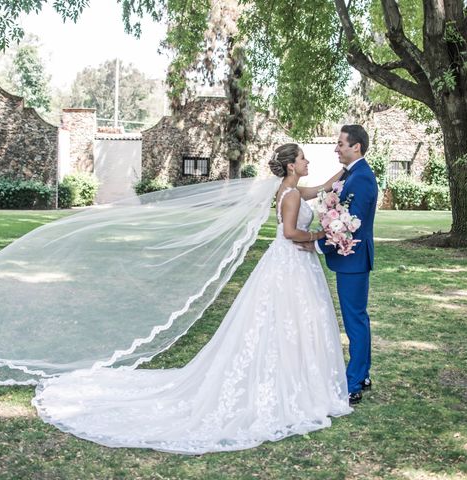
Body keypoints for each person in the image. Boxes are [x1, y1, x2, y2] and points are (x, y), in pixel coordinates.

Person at [30, 143, 353, 454]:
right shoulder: (291, 195)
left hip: (292, 265)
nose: (307, 162)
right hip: (292, 262)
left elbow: (320, 188)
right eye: (303, 159)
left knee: (285, 322)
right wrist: (322, 235)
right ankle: (288, 383)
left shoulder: (289, 189)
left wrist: (345, 170)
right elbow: (289, 233)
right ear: (290, 165)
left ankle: (293, 376)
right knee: (286, 320)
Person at [300, 125, 378, 405]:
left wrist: (318, 245)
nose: (336, 148)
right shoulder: (351, 174)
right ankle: (363, 373)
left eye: (340, 144)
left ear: (356, 146)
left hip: (354, 260)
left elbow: (350, 226)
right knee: (357, 319)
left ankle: (355, 381)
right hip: (351, 260)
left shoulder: (362, 179)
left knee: (355, 321)